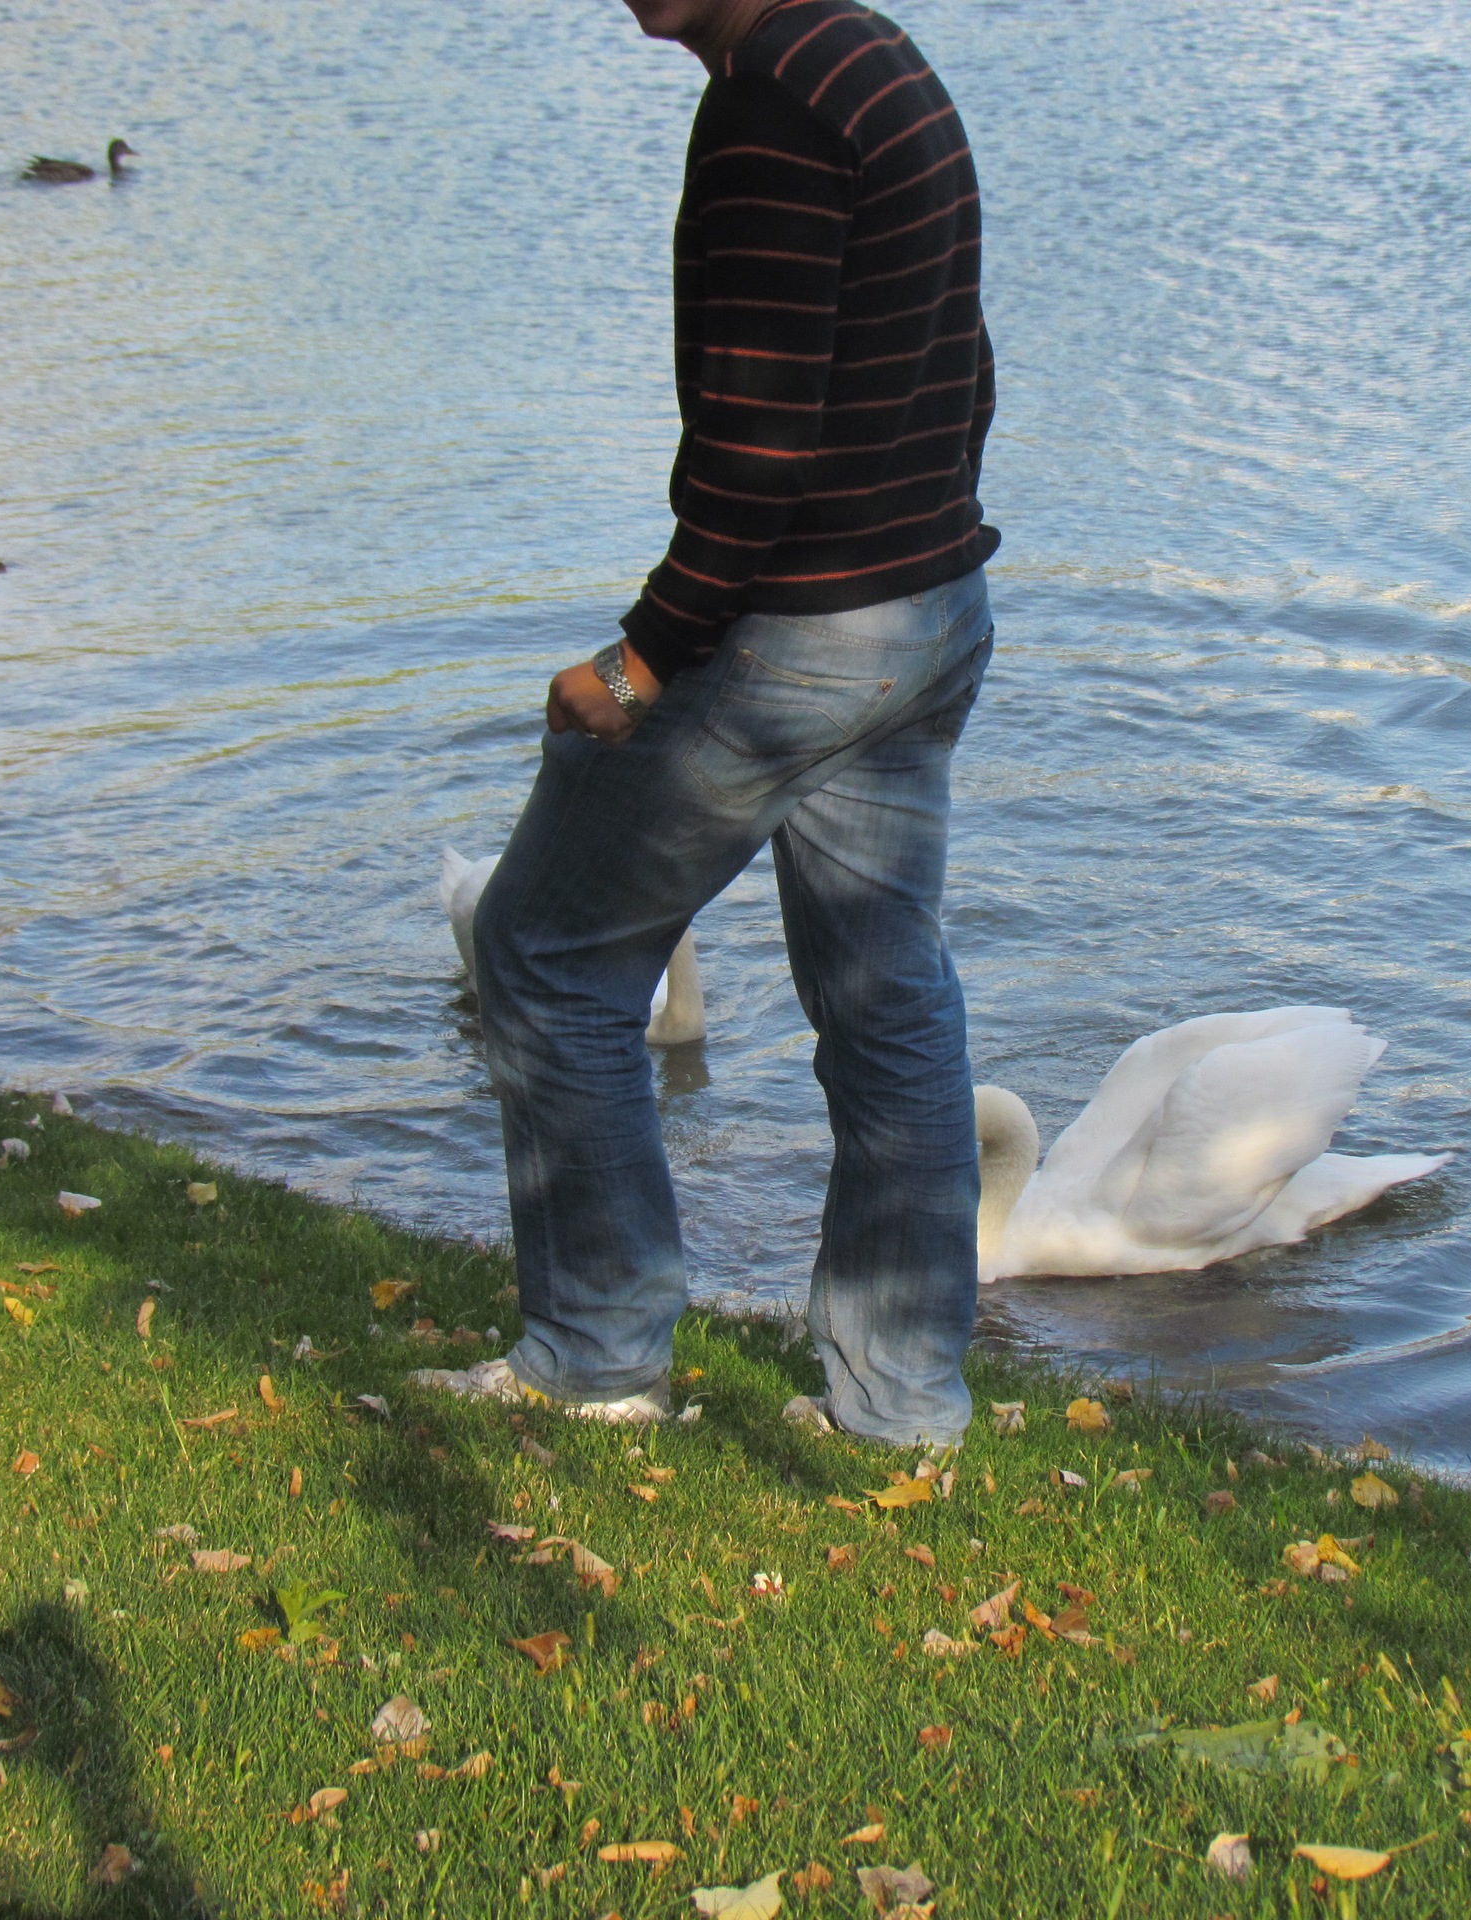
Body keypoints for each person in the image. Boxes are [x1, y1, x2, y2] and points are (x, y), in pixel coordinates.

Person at [412, 0, 999, 1447]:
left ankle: (598, 1357)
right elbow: (963, 366)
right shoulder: (871, 57)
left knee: (544, 951)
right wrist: (914, 544)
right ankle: (899, 1404)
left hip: (802, 638)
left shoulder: (770, 108)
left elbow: (755, 449)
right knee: (888, 998)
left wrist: (640, 662)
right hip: (930, 610)